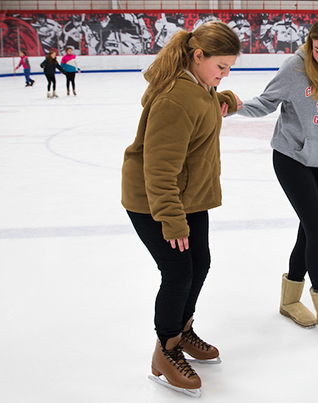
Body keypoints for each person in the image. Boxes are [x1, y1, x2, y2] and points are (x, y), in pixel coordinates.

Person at [234, 15, 318, 345]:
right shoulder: (295, 68)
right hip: (291, 158)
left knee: (309, 229)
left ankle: (289, 300)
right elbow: (265, 103)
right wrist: (231, 106)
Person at [121, 21, 240, 397]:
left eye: (230, 68)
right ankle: (165, 351)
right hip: (156, 202)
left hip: (189, 197)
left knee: (199, 264)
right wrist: (171, 222)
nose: (224, 73)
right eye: (221, 66)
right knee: (177, 273)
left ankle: (183, 329)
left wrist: (226, 99)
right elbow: (158, 170)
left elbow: (206, 102)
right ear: (197, 55)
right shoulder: (175, 99)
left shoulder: (201, 85)